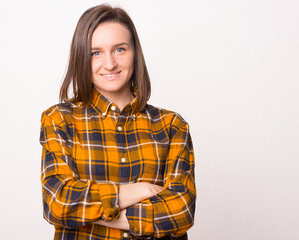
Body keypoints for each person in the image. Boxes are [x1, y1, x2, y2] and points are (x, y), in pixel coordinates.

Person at [39, 4, 196, 240]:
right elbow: (58, 202)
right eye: (96, 53)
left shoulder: (172, 126)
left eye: (119, 49)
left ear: (135, 52)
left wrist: (94, 211)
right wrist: (140, 190)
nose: (110, 64)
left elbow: (181, 211)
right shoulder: (60, 120)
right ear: (82, 57)